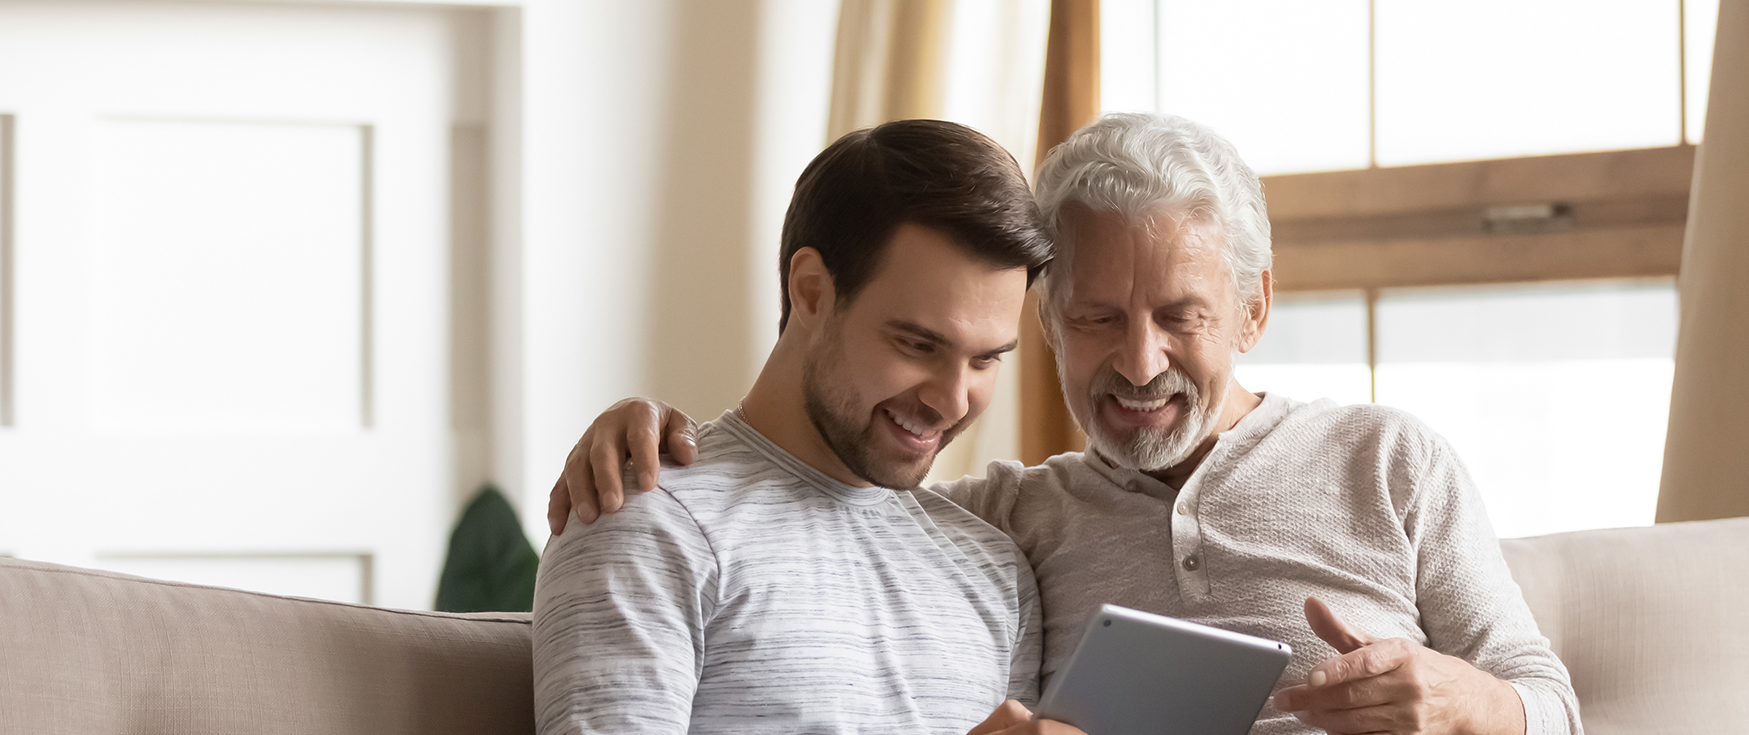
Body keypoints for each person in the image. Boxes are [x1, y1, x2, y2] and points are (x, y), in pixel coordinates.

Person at [547, 113, 1584, 735]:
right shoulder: (999, 526)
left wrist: (1472, 705)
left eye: (1181, 317)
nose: (1138, 363)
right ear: (1052, 320)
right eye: (1093, 319)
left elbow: (1547, 697)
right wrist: (650, 438)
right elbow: (797, 501)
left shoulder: (1385, 461)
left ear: (1253, 310)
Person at [533, 119, 1082, 735]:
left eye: (986, 359)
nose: (953, 399)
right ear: (812, 291)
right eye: (918, 345)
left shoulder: (995, 571)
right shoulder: (646, 524)